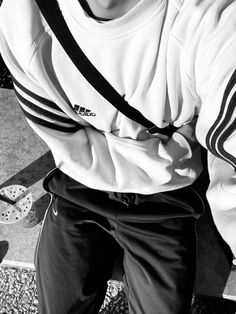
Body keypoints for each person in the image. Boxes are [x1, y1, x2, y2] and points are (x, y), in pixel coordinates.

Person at [0, 0, 235, 313]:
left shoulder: (214, 19)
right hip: (99, 185)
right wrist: (170, 147)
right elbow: (59, 135)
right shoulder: (24, 14)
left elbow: (71, 141)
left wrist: (101, 143)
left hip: (157, 196)